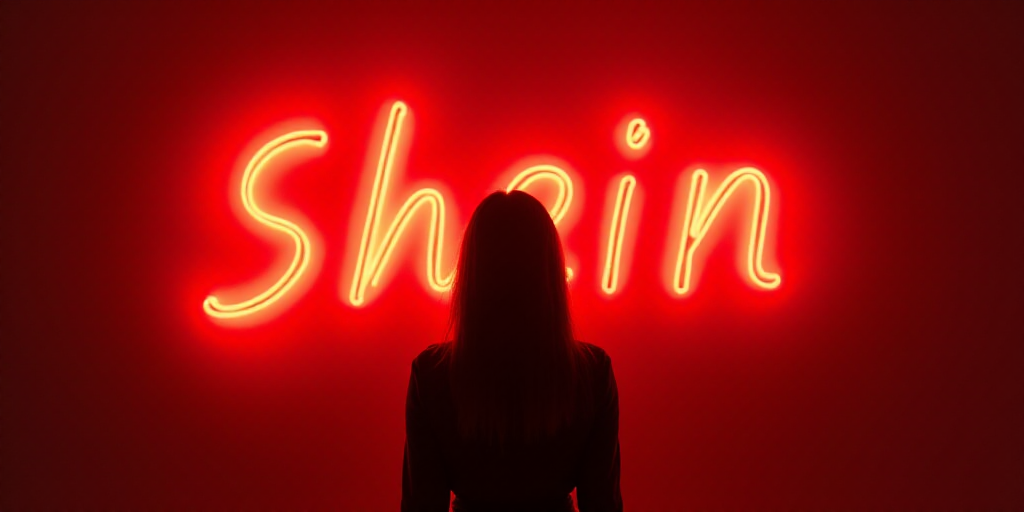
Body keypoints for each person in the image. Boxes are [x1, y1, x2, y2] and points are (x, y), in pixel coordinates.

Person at [401, 190, 622, 512]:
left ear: (471, 272)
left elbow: (421, 503)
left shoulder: (432, 374)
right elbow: (602, 502)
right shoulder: (592, 372)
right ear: (550, 270)